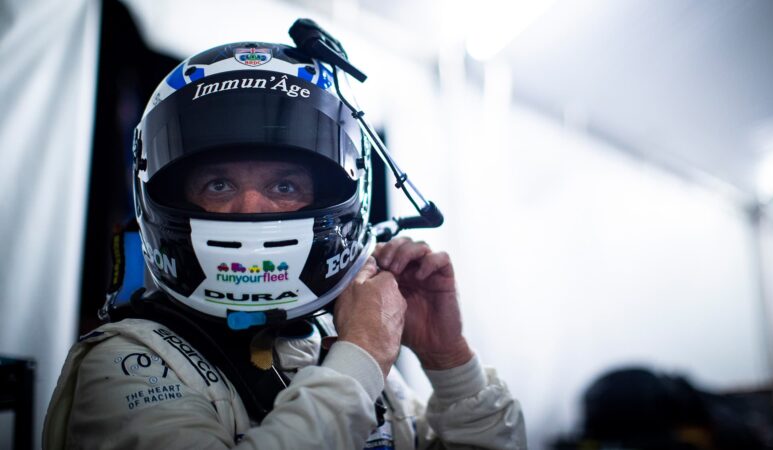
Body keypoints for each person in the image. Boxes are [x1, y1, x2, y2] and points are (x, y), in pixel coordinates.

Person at [43, 36, 526, 449]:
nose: (252, 208)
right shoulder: (127, 363)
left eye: (284, 187)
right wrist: (360, 358)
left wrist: (450, 362)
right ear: (168, 197)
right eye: (219, 186)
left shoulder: (328, 349)